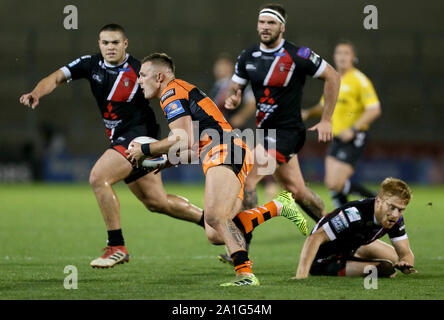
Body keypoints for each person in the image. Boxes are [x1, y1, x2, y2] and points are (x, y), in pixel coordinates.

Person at [19, 24, 204, 268]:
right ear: (99, 45)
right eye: (105, 43)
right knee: (157, 203)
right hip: (122, 138)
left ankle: (116, 246)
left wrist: (178, 130)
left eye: (115, 42)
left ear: (125, 44)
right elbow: (55, 77)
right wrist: (36, 92)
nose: (110, 47)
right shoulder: (90, 64)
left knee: (98, 177)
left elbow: (165, 92)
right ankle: (216, 222)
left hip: (137, 138)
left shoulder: (139, 70)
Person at [126, 53, 308, 286]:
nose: (139, 80)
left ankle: (245, 274)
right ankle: (278, 206)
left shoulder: (171, 92)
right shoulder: (180, 91)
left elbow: (182, 138)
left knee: (213, 216)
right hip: (232, 150)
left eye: (142, 75)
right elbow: (194, 143)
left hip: (225, 150)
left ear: (159, 76)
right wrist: (168, 159)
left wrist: (146, 149)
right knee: (215, 232)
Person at [223, 3, 341, 259]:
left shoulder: (298, 54)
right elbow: (235, 88)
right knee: (297, 190)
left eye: (271, 23)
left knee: (249, 174)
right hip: (265, 132)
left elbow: (333, 76)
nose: (265, 27)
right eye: (262, 22)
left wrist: (327, 119)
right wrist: (233, 98)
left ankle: (241, 246)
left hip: (288, 132)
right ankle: (338, 231)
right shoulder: (248, 55)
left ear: (282, 27)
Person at [302, 40, 382, 208]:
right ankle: (344, 219)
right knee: (331, 184)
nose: (342, 57)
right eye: (339, 53)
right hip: (337, 136)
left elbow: (374, 109)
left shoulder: (359, 80)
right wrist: (308, 113)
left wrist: (353, 129)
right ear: (334, 57)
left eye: (346, 53)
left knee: (336, 183)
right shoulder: (334, 79)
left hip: (354, 136)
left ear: (353, 57)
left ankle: (377, 201)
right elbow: (324, 106)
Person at [293, 177, 417, 279]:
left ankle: (354, 257)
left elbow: (405, 253)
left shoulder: (395, 218)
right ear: (379, 201)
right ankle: (343, 264)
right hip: (325, 259)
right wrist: (301, 275)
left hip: (349, 247)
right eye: (392, 207)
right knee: (386, 269)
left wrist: (406, 264)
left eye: (400, 210)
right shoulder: (353, 215)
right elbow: (315, 238)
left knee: (394, 257)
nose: (395, 214)